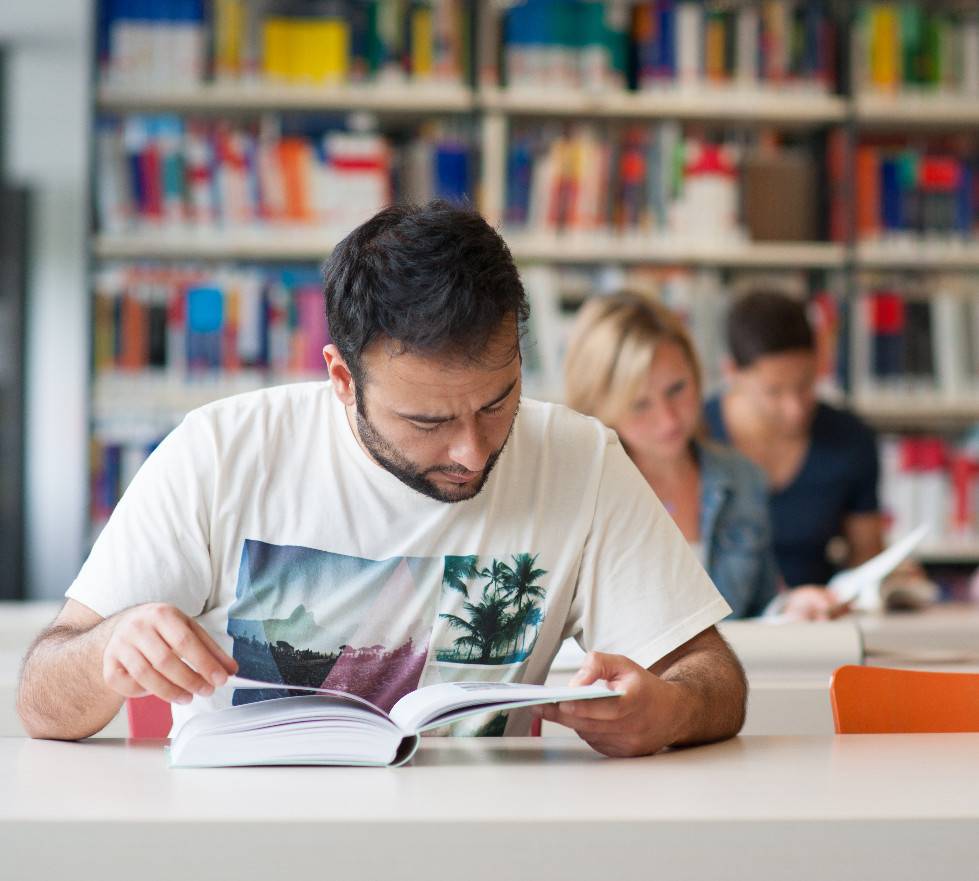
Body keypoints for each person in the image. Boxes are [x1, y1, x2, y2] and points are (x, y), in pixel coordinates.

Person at [17, 201, 745, 758]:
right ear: (341, 377)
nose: (470, 449)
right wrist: (109, 646)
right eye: (426, 421)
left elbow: (712, 674)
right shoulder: (220, 452)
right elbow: (40, 700)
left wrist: (669, 709)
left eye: (496, 403)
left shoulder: (579, 457)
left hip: (496, 845)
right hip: (245, 842)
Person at [564, 292, 834, 620]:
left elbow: (757, 608)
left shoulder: (743, 478)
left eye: (677, 389)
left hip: (722, 670)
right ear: (602, 407)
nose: (669, 419)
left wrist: (789, 608)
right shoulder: (580, 495)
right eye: (640, 404)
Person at [704, 290, 884, 591]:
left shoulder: (850, 439)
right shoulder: (695, 435)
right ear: (731, 372)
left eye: (806, 385)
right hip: (717, 625)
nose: (795, 408)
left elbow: (866, 554)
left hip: (814, 620)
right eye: (774, 391)